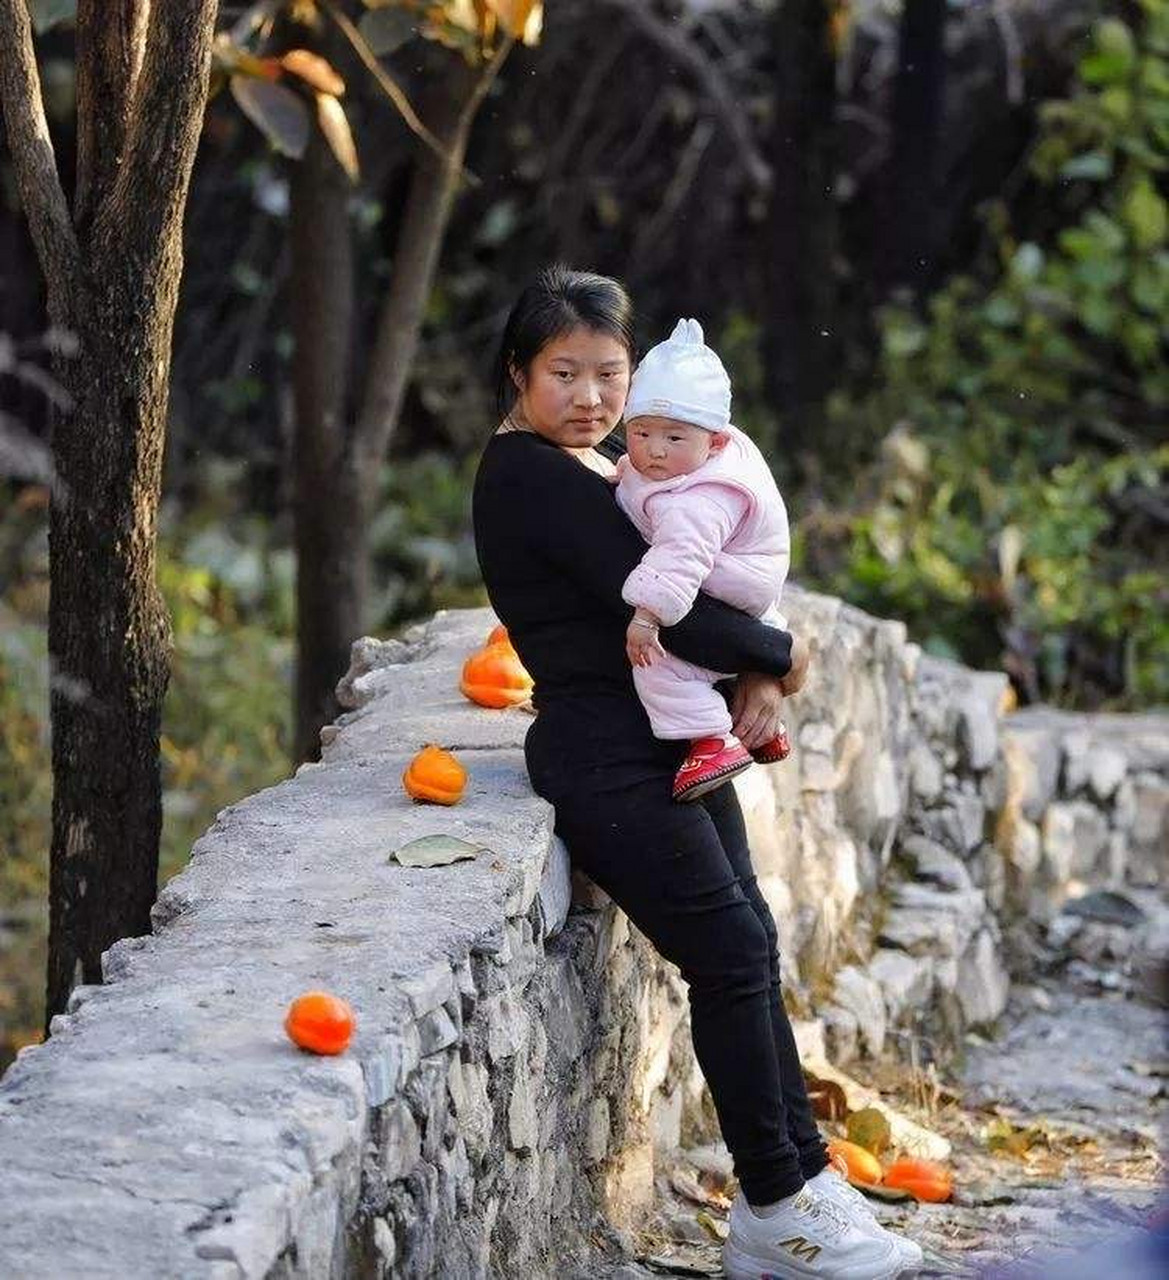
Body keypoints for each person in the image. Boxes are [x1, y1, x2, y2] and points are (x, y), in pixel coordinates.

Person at [472, 265, 921, 1280]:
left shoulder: (602, 464)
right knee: (724, 952)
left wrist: (747, 669)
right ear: (515, 371)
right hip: (604, 756)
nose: (589, 397)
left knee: (749, 942)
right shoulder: (528, 476)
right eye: (563, 373)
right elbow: (673, 606)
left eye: (609, 373)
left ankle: (802, 1185)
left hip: (666, 737)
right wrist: (780, 652)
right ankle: (771, 1204)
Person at [615, 317, 793, 802]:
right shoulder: (690, 463)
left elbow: (679, 558)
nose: (653, 451)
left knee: (659, 665)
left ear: (713, 441)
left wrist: (648, 617)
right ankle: (761, 731)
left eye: (673, 439)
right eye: (641, 432)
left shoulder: (702, 499)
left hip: (731, 578)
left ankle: (711, 739)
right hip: (752, 585)